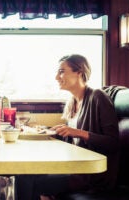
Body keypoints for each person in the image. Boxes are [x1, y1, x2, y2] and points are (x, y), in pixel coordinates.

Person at [23, 54, 120, 200]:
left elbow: (113, 143)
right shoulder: (71, 103)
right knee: (27, 172)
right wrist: (55, 132)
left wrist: (78, 133)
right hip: (75, 168)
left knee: (27, 181)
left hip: (92, 174)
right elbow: (73, 142)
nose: (57, 77)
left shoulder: (98, 97)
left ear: (79, 73)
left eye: (61, 71)